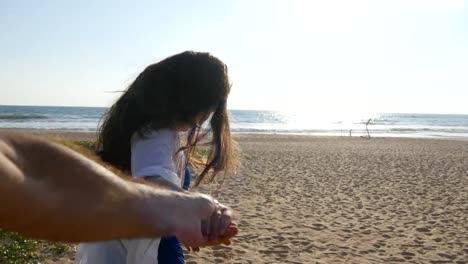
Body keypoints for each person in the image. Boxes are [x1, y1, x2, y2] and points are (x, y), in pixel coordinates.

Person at [76, 51, 239, 264]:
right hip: (137, 249)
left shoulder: (133, 129)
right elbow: (151, 180)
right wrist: (203, 207)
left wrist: (184, 220)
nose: (208, 116)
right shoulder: (157, 132)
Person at [0, 132, 227, 245]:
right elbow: (21, 175)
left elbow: (17, 164)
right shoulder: (155, 133)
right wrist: (173, 208)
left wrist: (174, 209)